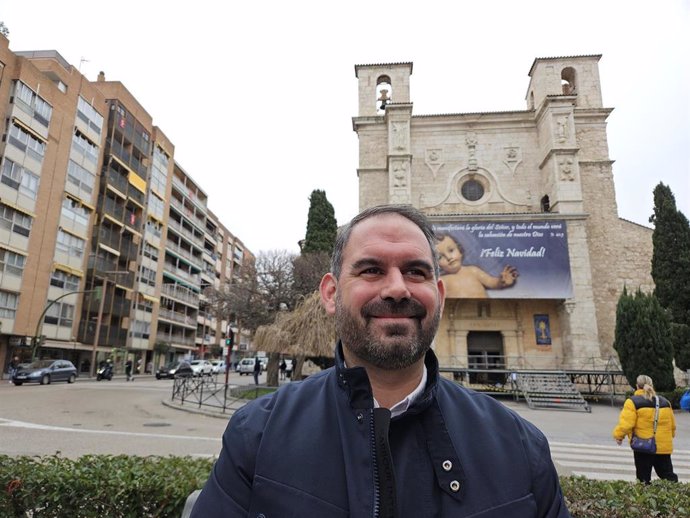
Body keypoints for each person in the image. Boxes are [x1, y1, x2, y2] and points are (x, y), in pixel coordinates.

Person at [191, 204, 570, 517]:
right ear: (330, 293)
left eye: (416, 271)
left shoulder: (520, 447)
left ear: (439, 294)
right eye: (371, 269)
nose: (396, 288)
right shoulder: (257, 434)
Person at [613, 374, 678, 484]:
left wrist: (618, 436)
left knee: (643, 479)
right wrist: (666, 439)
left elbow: (627, 424)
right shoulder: (665, 402)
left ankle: (645, 500)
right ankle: (676, 497)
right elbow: (672, 426)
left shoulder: (632, 402)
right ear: (652, 385)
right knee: (668, 477)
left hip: (643, 446)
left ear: (637, 386)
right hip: (663, 447)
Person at [435, 233, 518, 298]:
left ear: (460, 250)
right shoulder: (442, 281)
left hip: (484, 312)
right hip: (459, 316)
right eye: (440, 257)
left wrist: (502, 281)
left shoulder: (473, 271)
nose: (449, 257)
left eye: (451, 250)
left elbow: (492, 283)